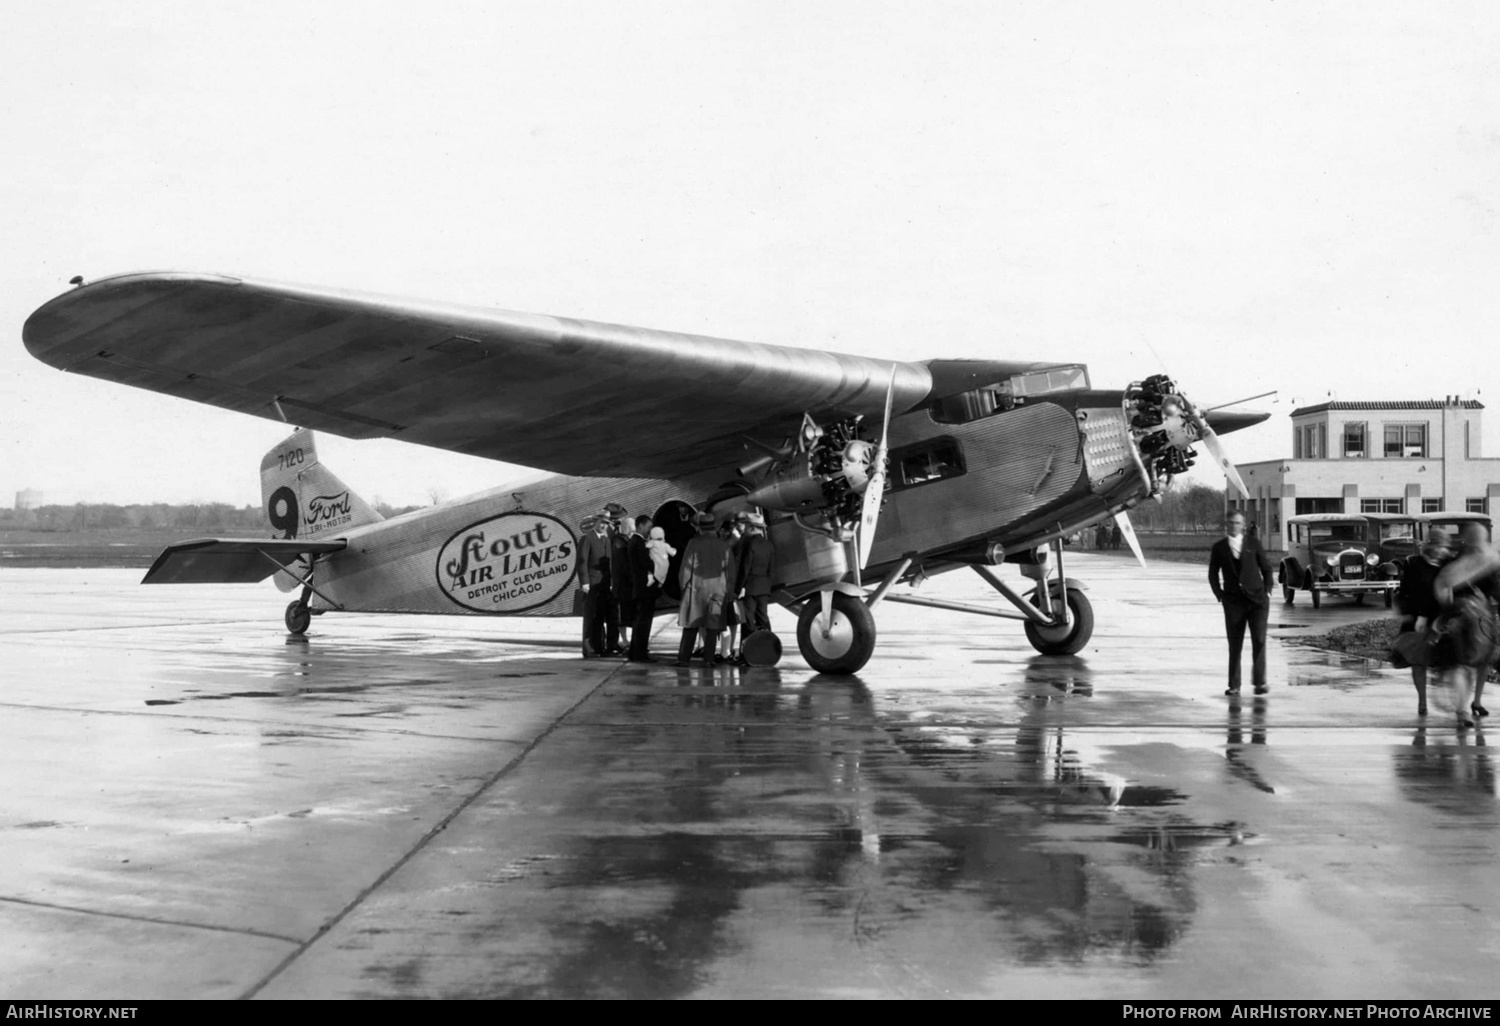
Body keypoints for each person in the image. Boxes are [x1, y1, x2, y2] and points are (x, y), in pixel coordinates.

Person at [1434, 523, 1500, 728]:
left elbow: (1442, 586)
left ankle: (1468, 707)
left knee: (1465, 666)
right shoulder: (1490, 561)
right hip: (1474, 621)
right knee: (1466, 665)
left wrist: (1445, 613)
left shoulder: (1460, 561)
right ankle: (1464, 709)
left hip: (1469, 620)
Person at [1208, 510, 1275, 696]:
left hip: (1257, 602)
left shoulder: (1254, 544)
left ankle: (1260, 682)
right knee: (1235, 644)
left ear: (1244, 525)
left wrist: (1268, 591)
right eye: (1230, 522)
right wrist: (1220, 595)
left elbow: (1267, 569)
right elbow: (1212, 574)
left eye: (1237, 523)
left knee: (1259, 641)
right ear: (1226, 525)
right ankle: (1234, 685)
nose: (1233, 526)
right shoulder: (1219, 547)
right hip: (1233, 603)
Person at [1395, 526, 1453, 716]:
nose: (1439, 550)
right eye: (1436, 545)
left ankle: (1443, 691)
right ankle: (1422, 701)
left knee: (1446, 659)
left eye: (1443, 546)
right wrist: (1407, 612)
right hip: (1417, 618)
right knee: (1418, 661)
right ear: (1429, 545)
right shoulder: (1414, 563)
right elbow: (1405, 591)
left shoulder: (1448, 564)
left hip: (1441, 617)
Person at [676, 512, 736, 667]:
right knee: (713, 626)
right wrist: (729, 590)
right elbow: (731, 570)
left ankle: (683, 659)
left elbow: (685, 569)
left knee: (691, 625)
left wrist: (684, 587)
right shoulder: (724, 545)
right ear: (714, 528)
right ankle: (708, 660)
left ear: (700, 528)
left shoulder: (693, 543)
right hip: (718, 590)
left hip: (696, 589)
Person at [576, 514, 615, 658]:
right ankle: (589, 648)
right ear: (595, 522)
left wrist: (611, 582)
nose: (603, 525)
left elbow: (609, 563)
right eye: (601, 522)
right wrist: (584, 582)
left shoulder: (606, 540)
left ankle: (599, 646)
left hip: (604, 585)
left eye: (606, 523)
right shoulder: (587, 538)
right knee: (590, 617)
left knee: (600, 617)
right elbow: (582, 561)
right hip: (591, 585)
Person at [737, 511, 775, 636]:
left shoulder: (749, 544)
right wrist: (767, 585)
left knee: (747, 620)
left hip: (750, 587)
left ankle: (747, 650)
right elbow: (771, 569)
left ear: (752, 528)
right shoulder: (769, 545)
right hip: (764, 587)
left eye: (747, 526)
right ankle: (767, 643)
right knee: (763, 618)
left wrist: (740, 587)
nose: (746, 529)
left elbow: (745, 567)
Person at [627, 515, 657, 662]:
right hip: (644, 588)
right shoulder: (638, 543)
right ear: (640, 526)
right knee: (643, 622)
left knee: (639, 621)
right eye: (648, 527)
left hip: (639, 588)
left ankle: (635, 652)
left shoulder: (635, 542)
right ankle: (640, 653)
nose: (649, 530)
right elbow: (646, 563)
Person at [605, 504, 633, 654]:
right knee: (618, 613)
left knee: (618, 612)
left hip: (617, 580)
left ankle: (618, 641)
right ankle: (619, 641)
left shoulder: (615, 535)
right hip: (617, 580)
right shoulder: (614, 538)